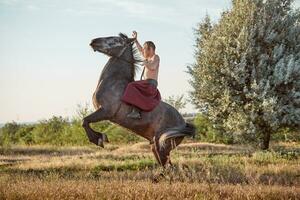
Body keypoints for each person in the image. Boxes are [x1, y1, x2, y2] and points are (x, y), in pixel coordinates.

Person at [121, 31, 161, 119]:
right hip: (146, 83)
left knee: (131, 86)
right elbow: (140, 50)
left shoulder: (155, 57)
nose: (143, 50)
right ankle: (136, 110)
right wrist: (135, 40)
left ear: (150, 49)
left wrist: (146, 63)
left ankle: (135, 112)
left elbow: (153, 67)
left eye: (145, 49)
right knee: (133, 86)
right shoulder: (147, 58)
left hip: (150, 84)